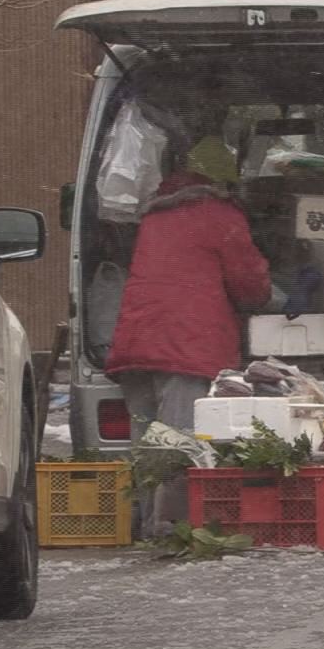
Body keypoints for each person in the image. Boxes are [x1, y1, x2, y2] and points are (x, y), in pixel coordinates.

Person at [105, 135, 271, 534]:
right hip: (185, 348)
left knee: (149, 447)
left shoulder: (154, 215)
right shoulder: (220, 215)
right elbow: (250, 283)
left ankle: (146, 524)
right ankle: (171, 528)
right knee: (180, 445)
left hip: (136, 345)